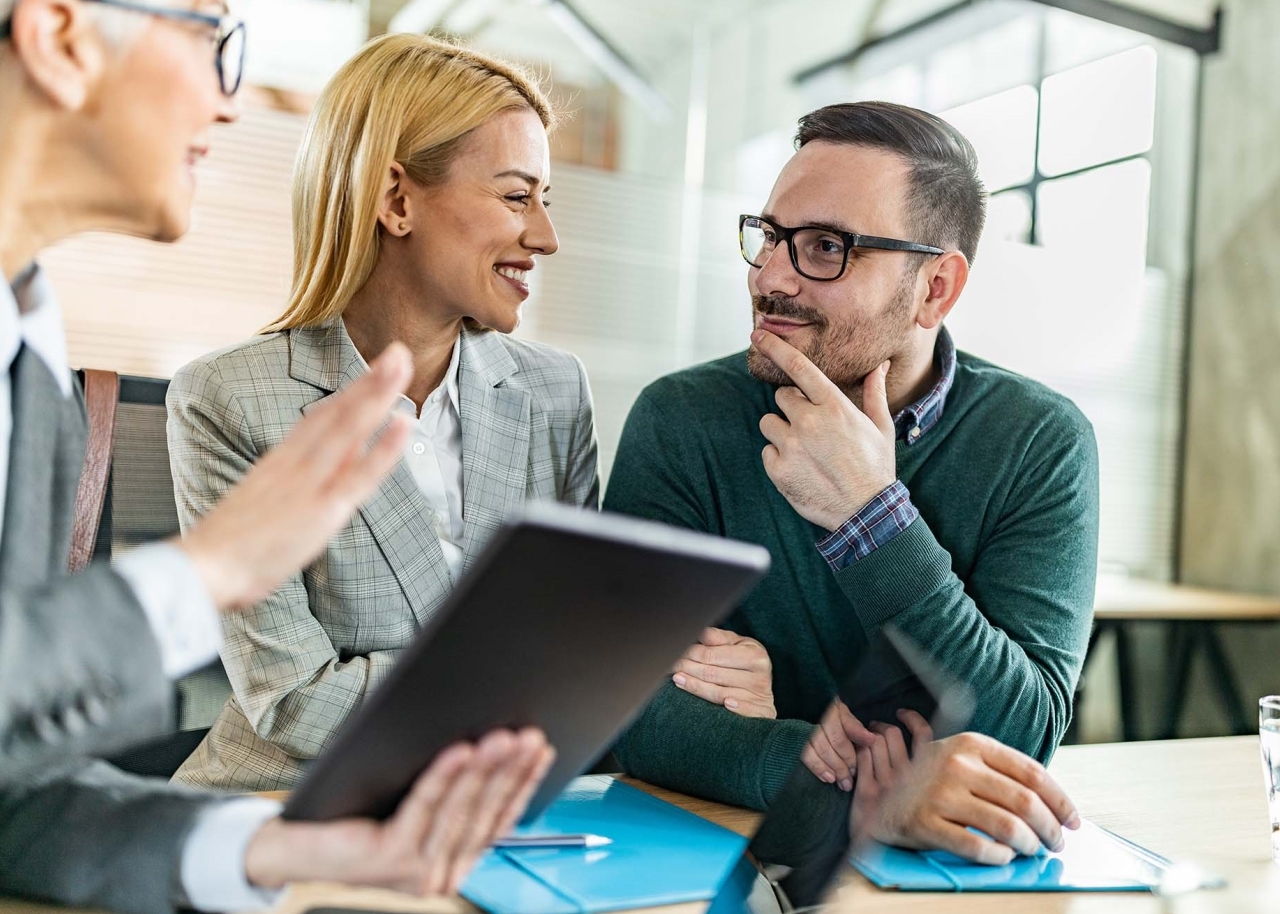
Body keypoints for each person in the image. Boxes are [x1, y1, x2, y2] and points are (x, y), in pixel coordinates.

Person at [0, 2, 551, 911]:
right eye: (212, 39)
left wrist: (280, 851)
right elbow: (287, 697)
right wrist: (204, 572)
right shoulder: (200, 395)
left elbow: (13, 800)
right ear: (61, 39)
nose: (231, 103)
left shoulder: (33, 375)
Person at [604, 102, 1099, 862]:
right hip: (724, 861)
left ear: (936, 288)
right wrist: (860, 782)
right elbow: (627, 709)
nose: (769, 278)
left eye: (826, 248)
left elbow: (1017, 737)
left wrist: (872, 518)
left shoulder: (1039, 442)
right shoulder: (683, 420)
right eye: (768, 237)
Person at [165, 33, 597, 792]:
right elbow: (294, 700)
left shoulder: (556, 393)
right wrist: (510, 693)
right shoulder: (229, 400)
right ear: (397, 200)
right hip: (279, 805)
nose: (545, 236)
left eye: (545, 199)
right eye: (515, 195)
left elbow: (577, 653)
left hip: (495, 811)